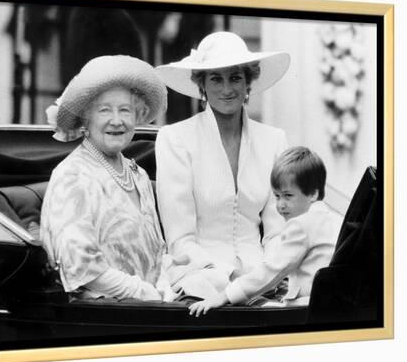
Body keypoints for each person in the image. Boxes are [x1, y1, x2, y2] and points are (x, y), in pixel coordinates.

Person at [155, 31, 291, 299]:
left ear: (248, 83)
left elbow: (279, 232)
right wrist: (225, 281)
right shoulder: (175, 139)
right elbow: (180, 240)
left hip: (263, 280)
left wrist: (265, 276)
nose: (227, 89)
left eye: (235, 77)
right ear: (202, 85)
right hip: (198, 278)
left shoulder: (274, 140)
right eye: (216, 78)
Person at [40, 55, 175, 301]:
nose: (117, 120)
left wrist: (165, 286)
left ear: (137, 116)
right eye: (104, 110)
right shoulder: (72, 176)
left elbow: (158, 251)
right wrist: (144, 293)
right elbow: (81, 268)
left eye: (125, 110)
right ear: (85, 120)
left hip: (154, 309)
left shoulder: (139, 175)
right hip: (104, 314)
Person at [189, 147, 342, 315]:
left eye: (288, 195)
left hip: (307, 307)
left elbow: (273, 270)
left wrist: (225, 296)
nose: (280, 205)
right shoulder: (333, 218)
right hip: (332, 303)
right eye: (276, 196)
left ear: (313, 194)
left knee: (250, 306)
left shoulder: (301, 225)